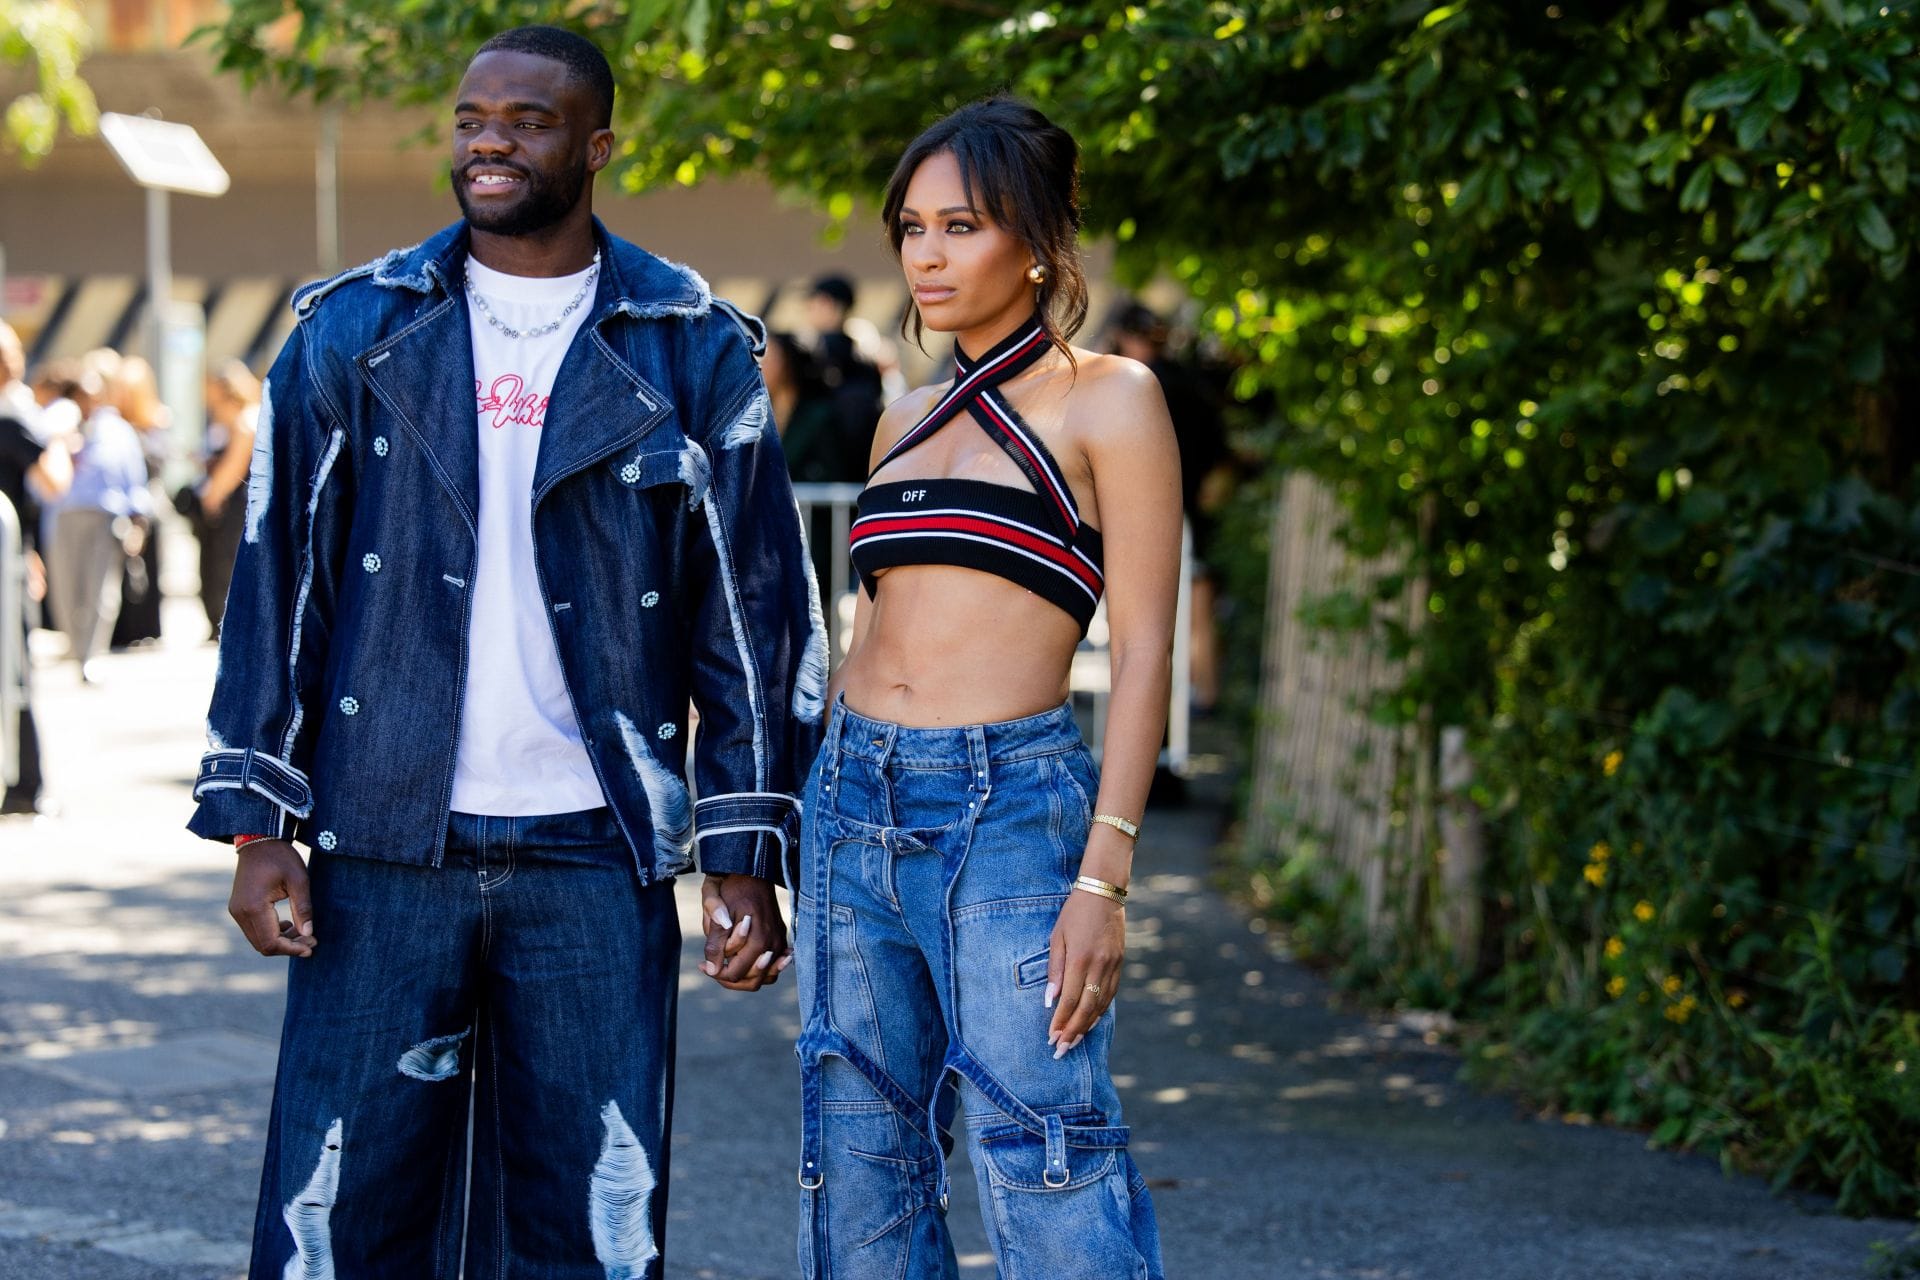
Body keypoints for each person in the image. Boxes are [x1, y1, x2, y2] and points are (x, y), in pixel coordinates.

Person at [186, 26, 821, 1279]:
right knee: (340, 1209)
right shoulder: (351, 331)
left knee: (588, 1217)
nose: (489, 140)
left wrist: (746, 856)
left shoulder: (690, 344)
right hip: (383, 834)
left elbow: (750, 617)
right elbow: (279, 583)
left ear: (596, 145)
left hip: (596, 841)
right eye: (474, 116)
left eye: (527, 121)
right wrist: (262, 822)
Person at [795, 97, 1176, 1278]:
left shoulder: (1111, 397)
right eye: (912, 226)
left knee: (1044, 1144)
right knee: (858, 1151)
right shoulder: (900, 420)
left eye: (961, 225)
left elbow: (1148, 646)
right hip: (852, 794)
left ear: (1039, 235)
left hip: (1010, 804)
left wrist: (1104, 873)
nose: (927, 253)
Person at [1112, 300, 1229, 712]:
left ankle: (1152, 704)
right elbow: (1220, 450)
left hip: (1143, 512)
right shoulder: (1191, 384)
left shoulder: (1131, 387)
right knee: (1197, 601)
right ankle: (1204, 693)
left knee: (1141, 617)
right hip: (1192, 508)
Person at [0, 322, 71, 815]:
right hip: (8, 558)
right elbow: (54, 481)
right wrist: (61, 438)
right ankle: (27, 784)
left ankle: (25, 783)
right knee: (15, 670)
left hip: (13, 553)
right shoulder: (12, 418)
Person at [47, 350, 150, 683]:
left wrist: (138, 522)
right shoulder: (58, 422)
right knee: (64, 588)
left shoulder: (117, 429)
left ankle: (89, 656)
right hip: (63, 515)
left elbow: (134, 475)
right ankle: (75, 648)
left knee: (100, 591)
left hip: (105, 517)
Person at [187, 359, 261, 638]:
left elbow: (234, 467)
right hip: (249, 503)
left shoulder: (245, 422)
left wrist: (211, 496)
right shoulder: (257, 416)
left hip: (238, 506)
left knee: (227, 566)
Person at [107, 354, 169, 649]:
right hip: (125, 503)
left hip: (147, 504)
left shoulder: (155, 421)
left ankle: (143, 628)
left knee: (143, 569)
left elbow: (156, 466)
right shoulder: (115, 424)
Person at [806, 273, 886, 469]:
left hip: (829, 459)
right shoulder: (862, 353)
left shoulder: (823, 350)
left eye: (814, 303)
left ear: (827, 304)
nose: (809, 310)